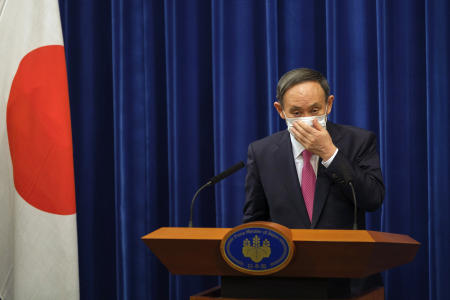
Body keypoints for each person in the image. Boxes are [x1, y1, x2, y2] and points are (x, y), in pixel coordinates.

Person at [243, 68, 384, 229]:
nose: (306, 119)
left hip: (343, 252)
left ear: (329, 104)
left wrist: (330, 153)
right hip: (289, 252)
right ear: (280, 110)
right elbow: (254, 220)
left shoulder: (358, 141)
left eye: (314, 110)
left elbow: (373, 200)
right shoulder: (261, 152)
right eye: (296, 112)